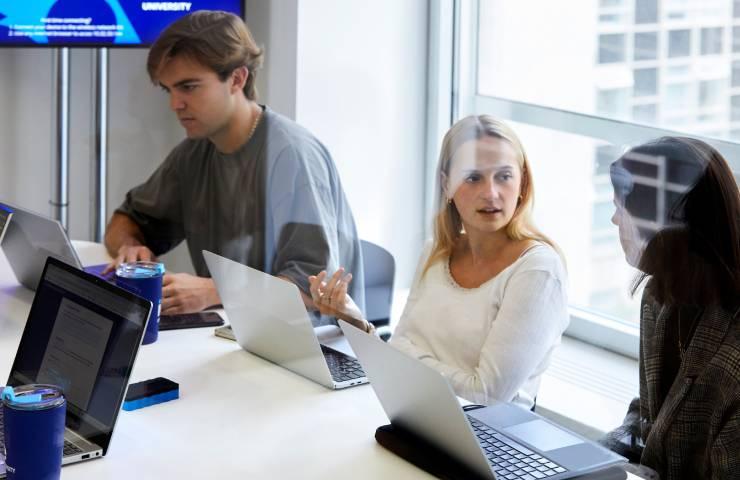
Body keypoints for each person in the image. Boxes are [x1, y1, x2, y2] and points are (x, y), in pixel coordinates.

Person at [103, 11, 364, 320]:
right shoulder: (194, 152)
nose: (175, 104)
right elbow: (125, 221)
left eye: (188, 87)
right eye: (168, 90)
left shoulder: (292, 155)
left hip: (308, 348)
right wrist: (132, 246)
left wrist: (215, 291)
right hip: (230, 335)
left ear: (237, 79)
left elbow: (312, 289)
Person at [309, 116, 568, 408]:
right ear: (447, 185)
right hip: (416, 414)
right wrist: (356, 321)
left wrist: (406, 358)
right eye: (473, 178)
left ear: (522, 182)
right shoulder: (436, 252)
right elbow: (396, 350)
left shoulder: (538, 270)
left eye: (504, 176)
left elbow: (485, 396)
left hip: (488, 438)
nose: (491, 193)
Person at [601, 137, 740, 479]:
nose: (614, 220)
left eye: (623, 208)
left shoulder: (734, 355)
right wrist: (591, 461)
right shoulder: (658, 297)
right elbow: (648, 416)